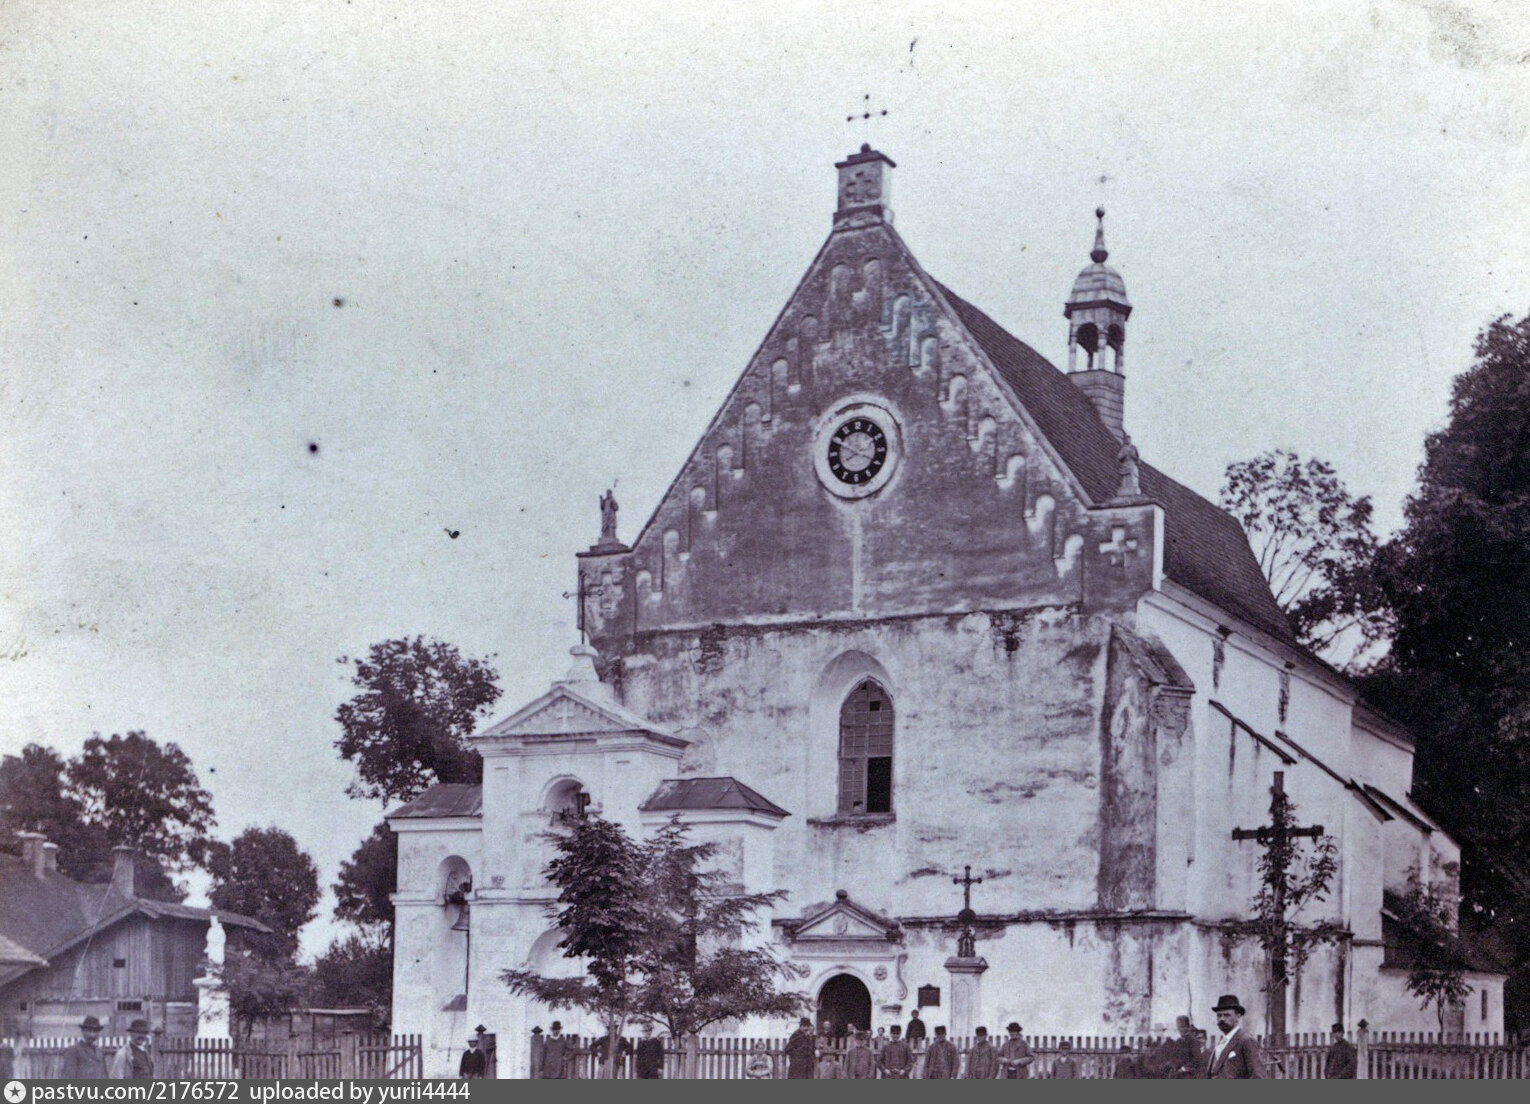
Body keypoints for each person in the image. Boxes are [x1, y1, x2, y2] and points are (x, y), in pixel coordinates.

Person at [1205, 995, 1263, 1078]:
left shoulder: (1246, 1040)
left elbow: (1258, 1076)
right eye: (1219, 1015)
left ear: (1238, 1017)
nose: (1222, 1019)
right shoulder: (1221, 1043)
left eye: (1227, 1015)